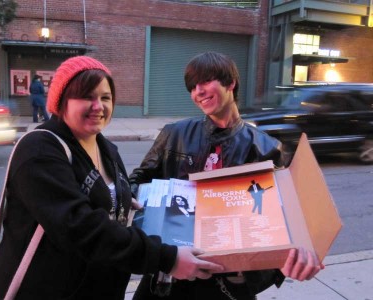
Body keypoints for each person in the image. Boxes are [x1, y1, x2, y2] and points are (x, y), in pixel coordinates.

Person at [0, 56, 223, 300]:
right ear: (61, 101)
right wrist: (168, 258)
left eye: (105, 97)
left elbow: (113, 205)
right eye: (87, 97)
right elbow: (82, 228)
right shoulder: (40, 150)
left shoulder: (106, 149)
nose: (98, 106)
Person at [129, 52, 323, 300]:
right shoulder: (174, 134)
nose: (198, 91)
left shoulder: (265, 148)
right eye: (192, 87)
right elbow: (138, 181)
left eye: (205, 81)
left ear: (230, 83)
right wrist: (135, 202)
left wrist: (280, 263)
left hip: (227, 283)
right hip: (171, 273)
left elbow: (279, 223)